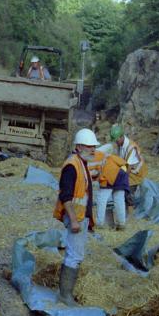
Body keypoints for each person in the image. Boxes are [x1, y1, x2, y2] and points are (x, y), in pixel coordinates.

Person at [52, 128, 98, 306]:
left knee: (76, 254)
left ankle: (66, 293)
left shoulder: (81, 162)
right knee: (74, 255)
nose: (93, 150)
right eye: (89, 146)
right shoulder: (72, 165)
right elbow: (66, 196)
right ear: (79, 147)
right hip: (75, 217)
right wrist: (73, 220)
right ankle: (65, 296)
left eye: (94, 147)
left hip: (80, 217)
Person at [89, 150, 130, 229]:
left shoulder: (89, 159)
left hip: (108, 176)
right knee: (119, 200)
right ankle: (121, 224)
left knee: (101, 199)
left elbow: (93, 174)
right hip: (121, 175)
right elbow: (127, 165)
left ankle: (99, 224)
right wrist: (122, 174)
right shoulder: (104, 154)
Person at [109, 124, 147, 207]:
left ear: (122, 136)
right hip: (129, 169)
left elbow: (128, 167)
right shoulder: (121, 145)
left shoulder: (131, 147)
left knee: (126, 191)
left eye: (116, 140)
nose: (116, 142)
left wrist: (117, 176)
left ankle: (130, 209)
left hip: (135, 173)